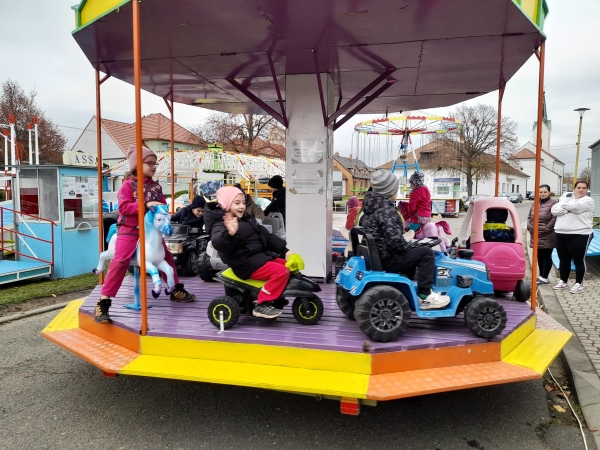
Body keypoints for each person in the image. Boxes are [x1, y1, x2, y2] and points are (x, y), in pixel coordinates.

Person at [94, 146, 195, 324]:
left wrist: (163, 211)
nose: (154, 166)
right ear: (137, 165)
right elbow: (124, 208)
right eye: (150, 163)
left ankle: (176, 288)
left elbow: (161, 206)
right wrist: (146, 204)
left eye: (155, 164)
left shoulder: (156, 187)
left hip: (149, 231)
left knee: (167, 255)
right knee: (120, 260)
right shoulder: (127, 185)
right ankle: (104, 301)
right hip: (129, 229)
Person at [362, 170, 450, 309]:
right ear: (389, 192)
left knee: (415, 251)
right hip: (388, 259)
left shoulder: (370, 210)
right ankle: (425, 295)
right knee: (427, 253)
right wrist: (410, 246)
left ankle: (411, 283)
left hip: (379, 256)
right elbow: (396, 243)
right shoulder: (387, 211)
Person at [205, 185, 293, 319]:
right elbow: (218, 242)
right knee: (281, 271)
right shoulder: (221, 224)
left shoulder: (247, 219)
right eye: (237, 203)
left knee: (287, 265)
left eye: (243, 203)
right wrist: (230, 234)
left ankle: (276, 296)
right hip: (244, 263)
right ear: (227, 205)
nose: (242, 206)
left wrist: (284, 250)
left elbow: (266, 236)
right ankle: (262, 303)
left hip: (257, 258)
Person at [551, 180, 595, 294]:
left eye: (584, 188)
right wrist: (569, 208)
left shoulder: (588, 200)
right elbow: (554, 210)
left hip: (580, 234)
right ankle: (563, 281)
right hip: (561, 233)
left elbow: (576, 207)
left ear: (587, 190)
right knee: (563, 259)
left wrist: (563, 206)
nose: (581, 190)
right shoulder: (567, 200)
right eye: (579, 187)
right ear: (574, 189)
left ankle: (579, 284)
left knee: (578, 260)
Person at [527, 184, 557, 285]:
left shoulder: (554, 203)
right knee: (539, 255)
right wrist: (529, 227)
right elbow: (529, 216)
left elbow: (555, 217)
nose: (542, 194)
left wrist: (546, 228)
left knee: (546, 255)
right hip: (535, 234)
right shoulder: (535, 203)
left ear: (549, 192)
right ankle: (541, 276)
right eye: (540, 192)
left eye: (544, 192)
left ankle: (545, 277)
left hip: (547, 234)